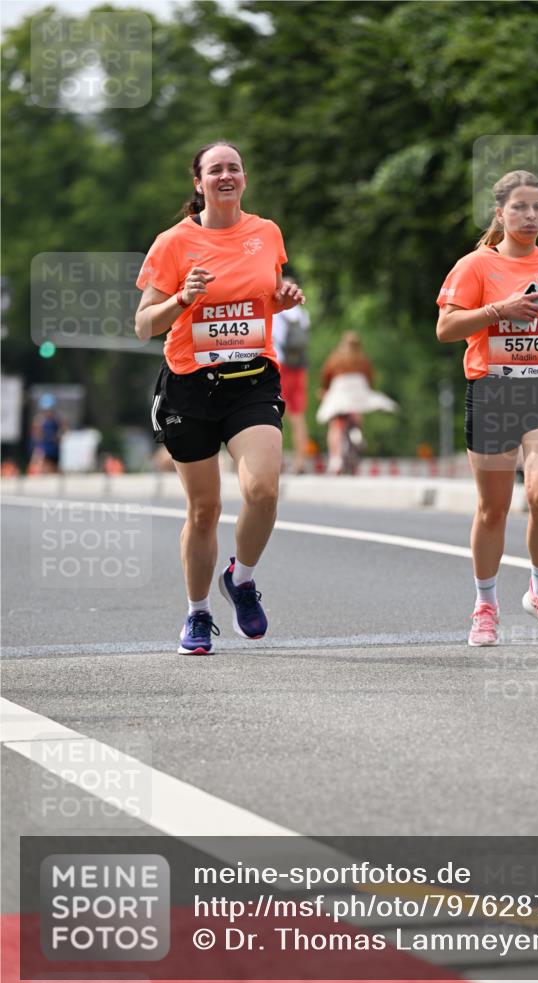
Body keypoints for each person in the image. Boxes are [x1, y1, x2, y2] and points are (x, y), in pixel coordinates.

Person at [135, 140, 304, 655]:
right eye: (215, 170)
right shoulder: (173, 244)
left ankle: (243, 578)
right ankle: (197, 612)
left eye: (234, 168)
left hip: (252, 378)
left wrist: (282, 298)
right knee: (204, 510)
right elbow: (144, 325)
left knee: (264, 491)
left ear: (244, 179)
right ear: (199, 183)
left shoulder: (266, 233)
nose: (226, 176)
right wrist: (183, 299)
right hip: (191, 386)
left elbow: (263, 298)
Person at [436, 169, 538, 646]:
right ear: (500, 213)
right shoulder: (476, 266)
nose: (531, 215)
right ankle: (485, 604)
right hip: (494, 390)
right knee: (493, 509)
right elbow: (446, 328)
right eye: (520, 207)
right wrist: (499, 311)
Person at [316, 331, 397, 473]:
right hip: (357, 392)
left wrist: (324, 390)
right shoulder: (363, 360)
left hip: (340, 392)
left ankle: (335, 459)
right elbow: (370, 380)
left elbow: (326, 377)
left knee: (334, 425)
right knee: (356, 412)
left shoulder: (335, 358)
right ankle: (358, 433)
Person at [271, 274, 311, 473]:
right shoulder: (303, 314)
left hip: (281, 367)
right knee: (298, 415)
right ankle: (300, 461)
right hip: (299, 368)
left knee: (276, 413)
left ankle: (276, 460)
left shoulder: (277, 313)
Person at [28, 394, 63, 474]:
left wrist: (58, 437)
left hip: (54, 447)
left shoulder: (57, 419)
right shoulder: (39, 419)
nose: (48, 412)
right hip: (43, 447)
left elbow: (62, 431)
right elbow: (36, 435)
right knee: (38, 461)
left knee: (53, 467)